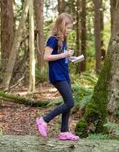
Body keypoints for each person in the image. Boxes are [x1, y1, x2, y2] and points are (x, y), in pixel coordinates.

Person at [36, 12, 79, 141]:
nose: (69, 30)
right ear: (61, 26)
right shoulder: (53, 39)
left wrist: (70, 57)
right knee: (70, 102)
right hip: (57, 75)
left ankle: (64, 132)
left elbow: (61, 56)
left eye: (71, 28)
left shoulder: (62, 39)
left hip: (64, 74)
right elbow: (46, 57)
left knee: (68, 102)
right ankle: (43, 120)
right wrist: (63, 55)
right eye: (68, 28)